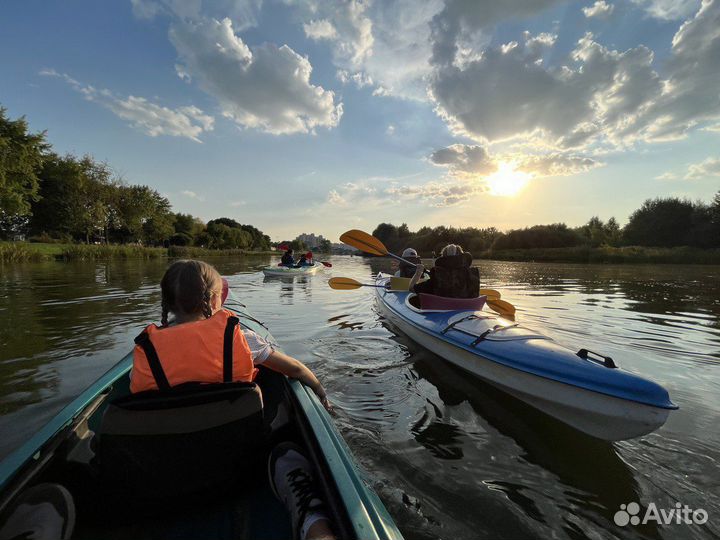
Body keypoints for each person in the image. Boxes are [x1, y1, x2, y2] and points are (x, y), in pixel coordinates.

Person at [130, 259, 330, 410]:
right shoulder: (243, 339)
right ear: (216, 299)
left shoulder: (146, 350)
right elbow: (295, 369)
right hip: (235, 440)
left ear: (167, 302)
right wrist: (320, 390)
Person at [409, 244, 480, 299]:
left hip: (442, 312)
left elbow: (411, 288)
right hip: (470, 311)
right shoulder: (473, 275)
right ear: (463, 259)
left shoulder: (437, 277)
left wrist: (418, 272)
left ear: (443, 259)